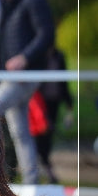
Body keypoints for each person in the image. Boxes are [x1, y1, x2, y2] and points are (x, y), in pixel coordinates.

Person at [0, 0, 55, 185]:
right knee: (20, 132)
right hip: (13, 76)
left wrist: (25, 57)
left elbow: (46, 34)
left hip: (25, 75)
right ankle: (30, 182)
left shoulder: (33, 0)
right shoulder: (7, 2)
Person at [33, 47, 73, 183]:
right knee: (38, 140)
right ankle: (45, 172)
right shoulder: (38, 55)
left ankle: (47, 173)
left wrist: (69, 107)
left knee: (46, 140)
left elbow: (63, 83)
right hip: (39, 104)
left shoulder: (59, 56)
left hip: (53, 104)